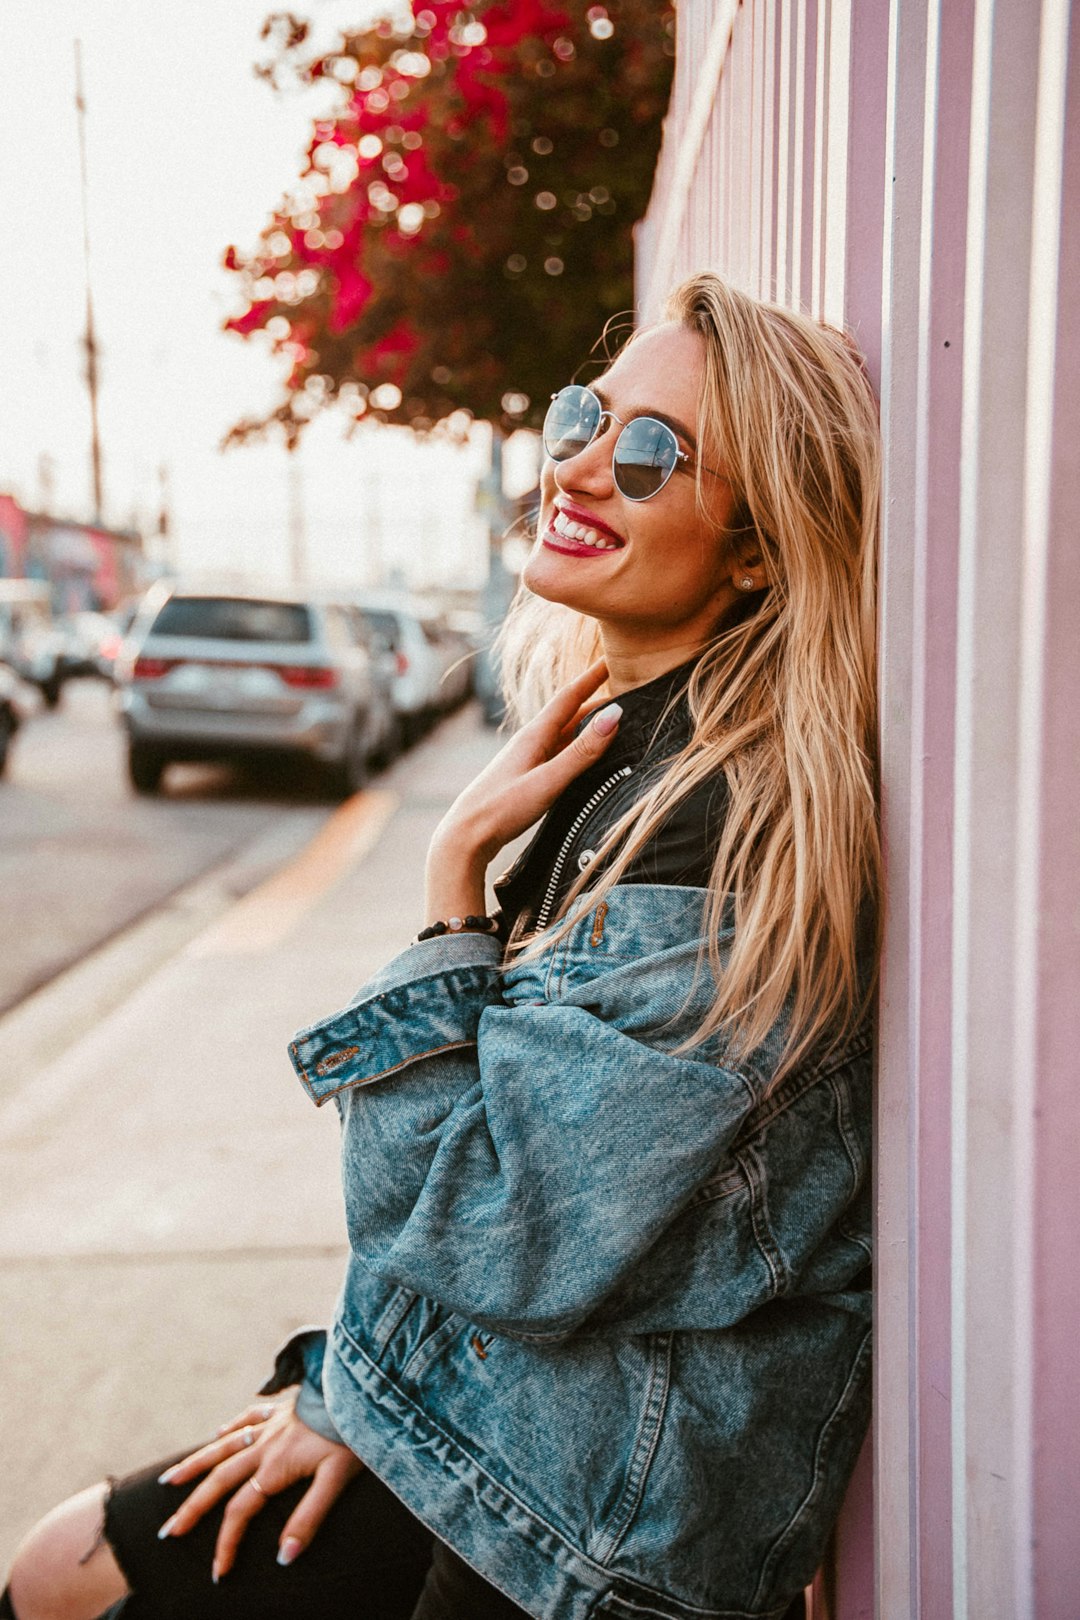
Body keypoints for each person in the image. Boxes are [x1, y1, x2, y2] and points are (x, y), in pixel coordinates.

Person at [4, 272, 882, 1620]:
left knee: (72, 1579)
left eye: (653, 455)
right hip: (519, 1415)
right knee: (66, 1564)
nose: (583, 464)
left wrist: (450, 883)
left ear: (755, 549)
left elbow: (493, 1226)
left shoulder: (721, 834)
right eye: (588, 416)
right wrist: (350, 1386)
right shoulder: (618, 743)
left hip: (594, 1517)